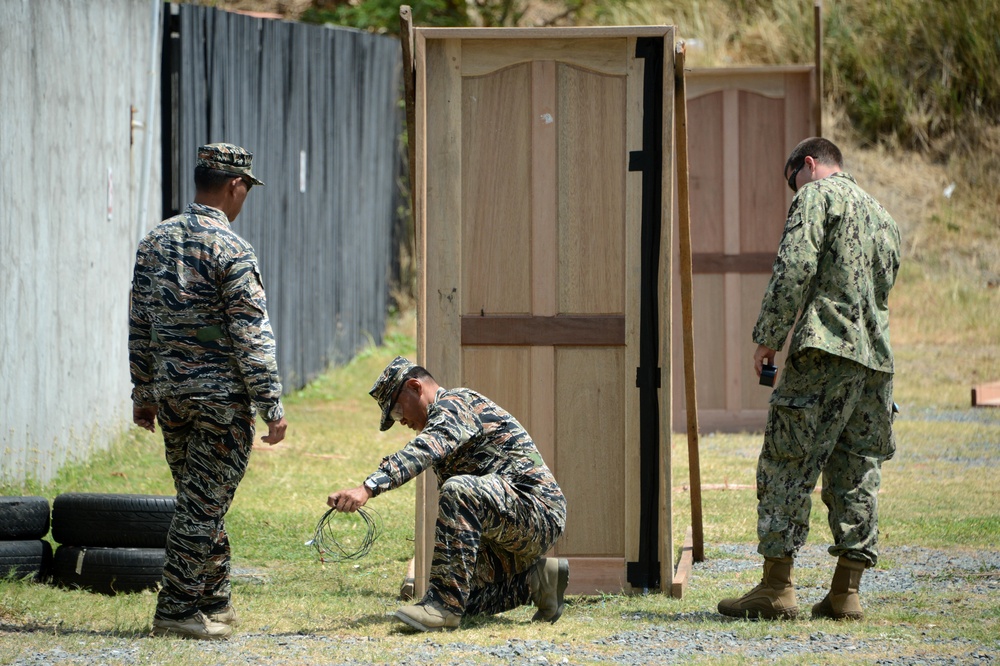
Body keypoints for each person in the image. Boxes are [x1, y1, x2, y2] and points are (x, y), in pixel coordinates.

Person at [718, 137, 900, 622]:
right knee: (856, 470)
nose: (793, 190)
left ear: (810, 164)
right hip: (875, 361)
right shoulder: (884, 217)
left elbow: (795, 265)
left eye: (792, 180)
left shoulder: (816, 195)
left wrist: (768, 337)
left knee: (785, 460)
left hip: (824, 351)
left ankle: (777, 587)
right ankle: (846, 594)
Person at [129, 143, 288, 640]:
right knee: (202, 505)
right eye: (246, 189)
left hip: (173, 396)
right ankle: (176, 610)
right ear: (235, 186)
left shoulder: (154, 241)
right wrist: (272, 405)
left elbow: (139, 322)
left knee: (200, 501)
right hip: (219, 402)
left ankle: (214, 602)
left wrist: (144, 390)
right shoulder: (232, 249)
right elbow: (251, 335)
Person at [327, 356, 568, 632]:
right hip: (506, 521)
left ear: (415, 387)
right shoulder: (445, 417)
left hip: (537, 510)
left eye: (396, 411)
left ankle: (442, 608)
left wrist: (367, 488)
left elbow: (424, 449)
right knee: (465, 595)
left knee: (458, 489)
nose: (402, 420)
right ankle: (538, 581)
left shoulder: (454, 404)